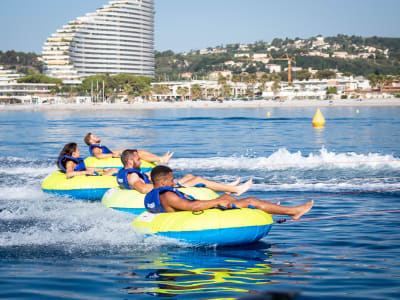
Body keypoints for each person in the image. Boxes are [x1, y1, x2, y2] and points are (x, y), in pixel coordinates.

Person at [144, 165, 313, 220]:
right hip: (200, 216)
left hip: (183, 215)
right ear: (164, 181)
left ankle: (269, 208)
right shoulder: (167, 194)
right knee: (251, 200)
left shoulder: (153, 193)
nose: (174, 182)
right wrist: (215, 202)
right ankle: (294, 212)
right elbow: (193, 205)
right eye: (172, 179)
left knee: (228, 198)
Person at [117, 149, 253, 196]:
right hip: (161, 191)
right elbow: (142, 188)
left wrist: (151, 176)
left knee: (189, 176)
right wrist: (162, 184)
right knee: (198, 180)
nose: (140, 161)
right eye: (138, 159)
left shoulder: (127, 171)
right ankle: (236, 190)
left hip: (160, 186)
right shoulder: (133, 175)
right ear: (130, 162)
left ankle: (226, 188)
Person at [84, 132, 174, 164]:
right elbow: (98, 156)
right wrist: (111, 155)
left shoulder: (98, 146)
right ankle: (161, 160)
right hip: (114, 159)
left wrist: (125, 150)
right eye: (94, 136)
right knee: (139, 154)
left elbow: (111, 151)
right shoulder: (94, 147)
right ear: (91, 141)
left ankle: (160, 158)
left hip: (117, 155)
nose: (96, 136)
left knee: (140, 151)